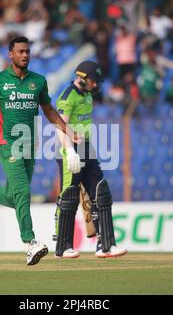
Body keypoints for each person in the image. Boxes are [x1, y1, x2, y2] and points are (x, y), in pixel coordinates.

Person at [0, 36, 81, 266]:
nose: (25, 55)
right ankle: (30, 243)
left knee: (15, 195)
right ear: (11, 54)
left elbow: (48, 110)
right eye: (20, 51)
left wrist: (68, 131)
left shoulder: (38, 81)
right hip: (7, 143)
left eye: (27, 51)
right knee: (23, 191)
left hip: (29, 145)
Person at [53, 60, 127, 259]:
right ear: (82, 77)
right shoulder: (68, 96)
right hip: (70, 151)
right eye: (93, 81)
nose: (96, 85)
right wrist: (69, 151)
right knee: (69, 196)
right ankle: (62, 245)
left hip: (87, 148)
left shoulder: (87, 96)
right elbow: (60, 126)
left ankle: (106, 245)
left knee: (100, 193)